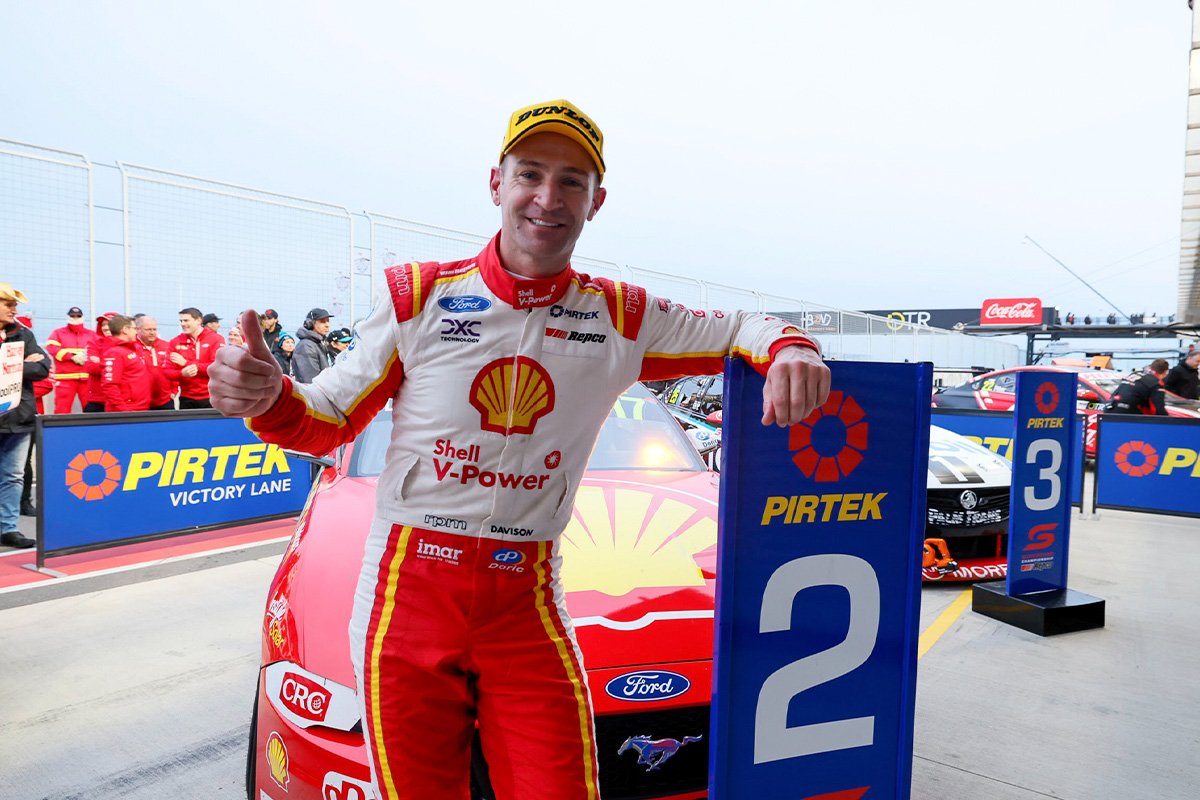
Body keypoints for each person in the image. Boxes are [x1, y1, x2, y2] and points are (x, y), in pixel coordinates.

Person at [209, 99, 829, 800]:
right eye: (531, 173)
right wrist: (269, 397)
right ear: (497, 183)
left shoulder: (620, 315)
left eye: (572, 181)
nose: (548, 197)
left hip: (526, 599)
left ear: (596, 202)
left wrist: (791, 347)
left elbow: (742, 325)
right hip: (407, 596)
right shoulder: (420, 296)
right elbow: (325, 421)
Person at [0, 283, 48, 548]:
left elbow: (43, 368)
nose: (14, 310)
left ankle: (7, 529)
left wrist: (10, 365)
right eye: (9, 304)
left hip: (19, 418)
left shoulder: (23, 332)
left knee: (14, 476)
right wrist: (22, 363)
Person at [168, 307, 225, 409]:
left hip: (211, 397)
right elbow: (167, 372)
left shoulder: (216, 339)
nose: (183, 324)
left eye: (186, 320)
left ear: (199, 320)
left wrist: (186, 363)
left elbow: (217, 368)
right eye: (181, 321)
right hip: (186, 398)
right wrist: (182, 373)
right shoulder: (175, 342)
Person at [45, 306, 98, 414]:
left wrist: (86, 357)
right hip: (65, 379)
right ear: (68, 317)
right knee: (62, 410)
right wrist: (71, 357)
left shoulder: (92, 334)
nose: (75, 318)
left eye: (78, 316)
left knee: (91, 409)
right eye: (72, 316)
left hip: (87, 379)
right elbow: (52, 348)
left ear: (82, 317)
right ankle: (60, 426)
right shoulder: (57, 333)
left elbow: (98, 350)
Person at [101, 316, 152, 412]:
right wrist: (123, 411)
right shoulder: (115, 353)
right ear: (125, 330)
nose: (136, 332)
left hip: (139, 408)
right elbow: (110, 385)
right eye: (134, 328)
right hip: (127, 410)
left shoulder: (130, 350)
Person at [134, 315, 176, 411]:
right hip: (141, 401)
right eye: (148, 330)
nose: (152, 333)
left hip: (165, 400)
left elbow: (174, 368)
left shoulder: (166, 346)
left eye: (154, 329)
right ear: (138, 329)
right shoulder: (132, 347)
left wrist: (174, 390)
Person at [1105, 359, 1170, 415]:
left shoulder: (1136, 374)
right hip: (1128, 414)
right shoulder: (1157, 382)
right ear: (1166, 371)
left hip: (1110, 409)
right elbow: (1157, 409)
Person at [82, 313, 118, 413]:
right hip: (97, 400)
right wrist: (116, 366)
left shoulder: (129, 344)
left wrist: (101, 362)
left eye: (109, 324)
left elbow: (129, 370)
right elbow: (92, 368)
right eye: (103, 325)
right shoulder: (93, 343)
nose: (105, 328)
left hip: (121, 400)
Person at [292, 308, 333, 383]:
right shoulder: (306, 346)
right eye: (322, 322)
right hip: (315, 390)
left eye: (328, 321)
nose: (327, 325)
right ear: (310, 324)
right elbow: (311, 381)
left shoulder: (319, 343)